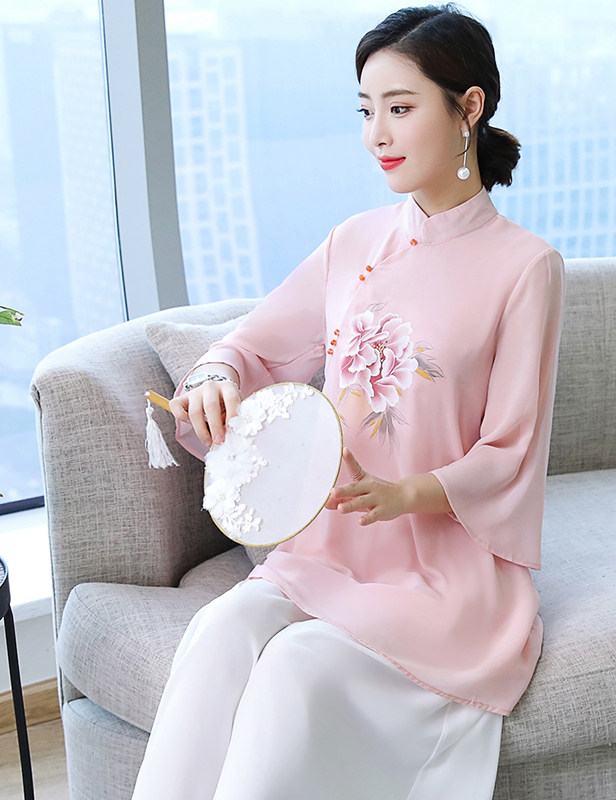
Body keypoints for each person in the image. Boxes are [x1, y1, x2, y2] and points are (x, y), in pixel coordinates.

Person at [132, 5, 564, 799]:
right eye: (366, 111)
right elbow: (253, 346)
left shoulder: (525, 267)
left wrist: (407, 493)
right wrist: (217, 376)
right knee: (223, 627)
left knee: (297, 664)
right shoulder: (353, 242)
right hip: (329, 552)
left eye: (400, 108)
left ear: (468, 107)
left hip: (444, 572)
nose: (377, 135)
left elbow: (512, 449)